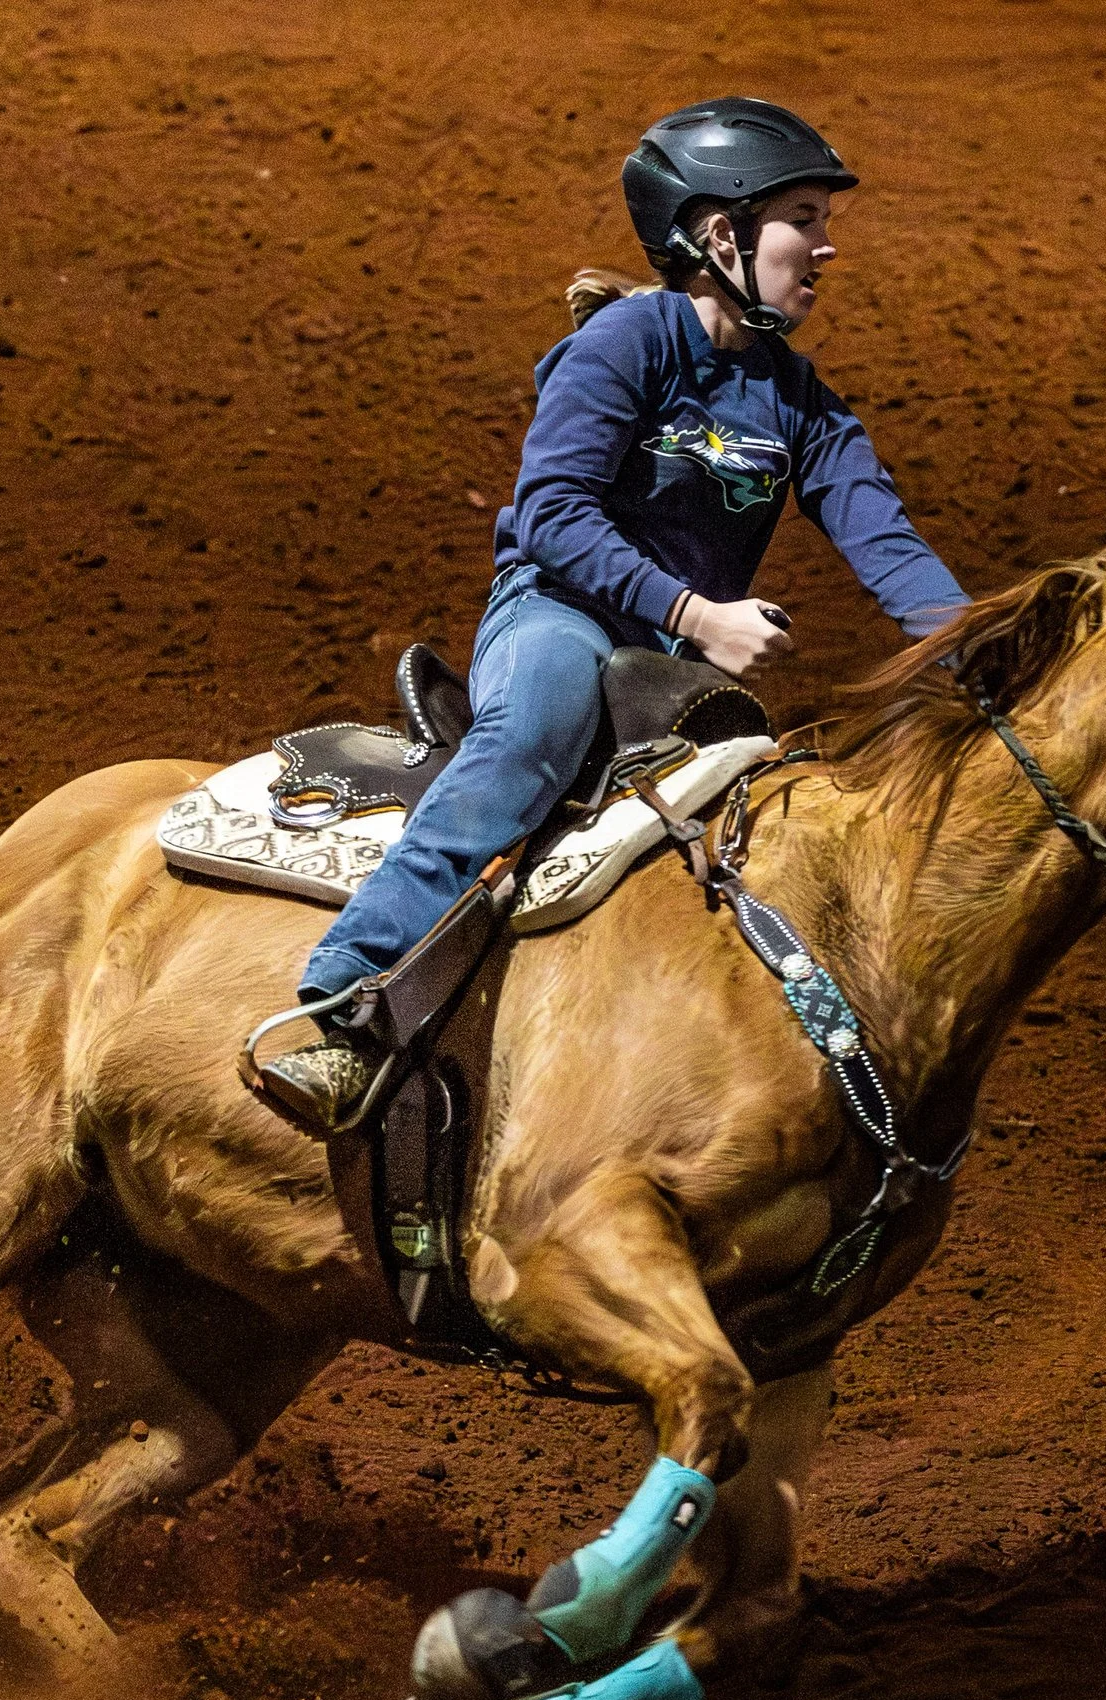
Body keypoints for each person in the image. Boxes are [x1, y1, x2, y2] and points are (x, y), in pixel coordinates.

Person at [252, 97, 970, 1137]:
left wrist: (981, 646)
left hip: (673, 662)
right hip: (561, 615)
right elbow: (550, 513)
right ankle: (340, 1013)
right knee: (534, 733)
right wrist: (699, 612)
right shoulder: (631, 339)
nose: (824, 246)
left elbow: (889, 544)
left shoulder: (802, 402)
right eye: (804, 218)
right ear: (719, 234)